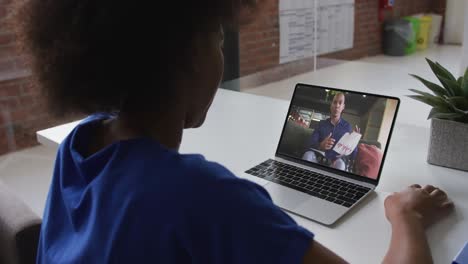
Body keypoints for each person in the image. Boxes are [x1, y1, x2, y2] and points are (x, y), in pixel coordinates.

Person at [13, 0, 454, 263]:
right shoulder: (202, 195)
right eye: (218, 41)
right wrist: (406, 216)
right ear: (186, 56)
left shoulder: (80, 145)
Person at [303, 93, 359, 170]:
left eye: (340, 103)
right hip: (317, 160)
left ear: (343, 107)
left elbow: (353, 155)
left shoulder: (347, 127)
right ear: (331, 105)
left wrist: (354, 140)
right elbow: (310, 143)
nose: (337, 105)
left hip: (335, 163)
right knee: (308, 155)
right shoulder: (321, 124)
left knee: (340, 165)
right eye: (335, 102)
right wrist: (321, 145)